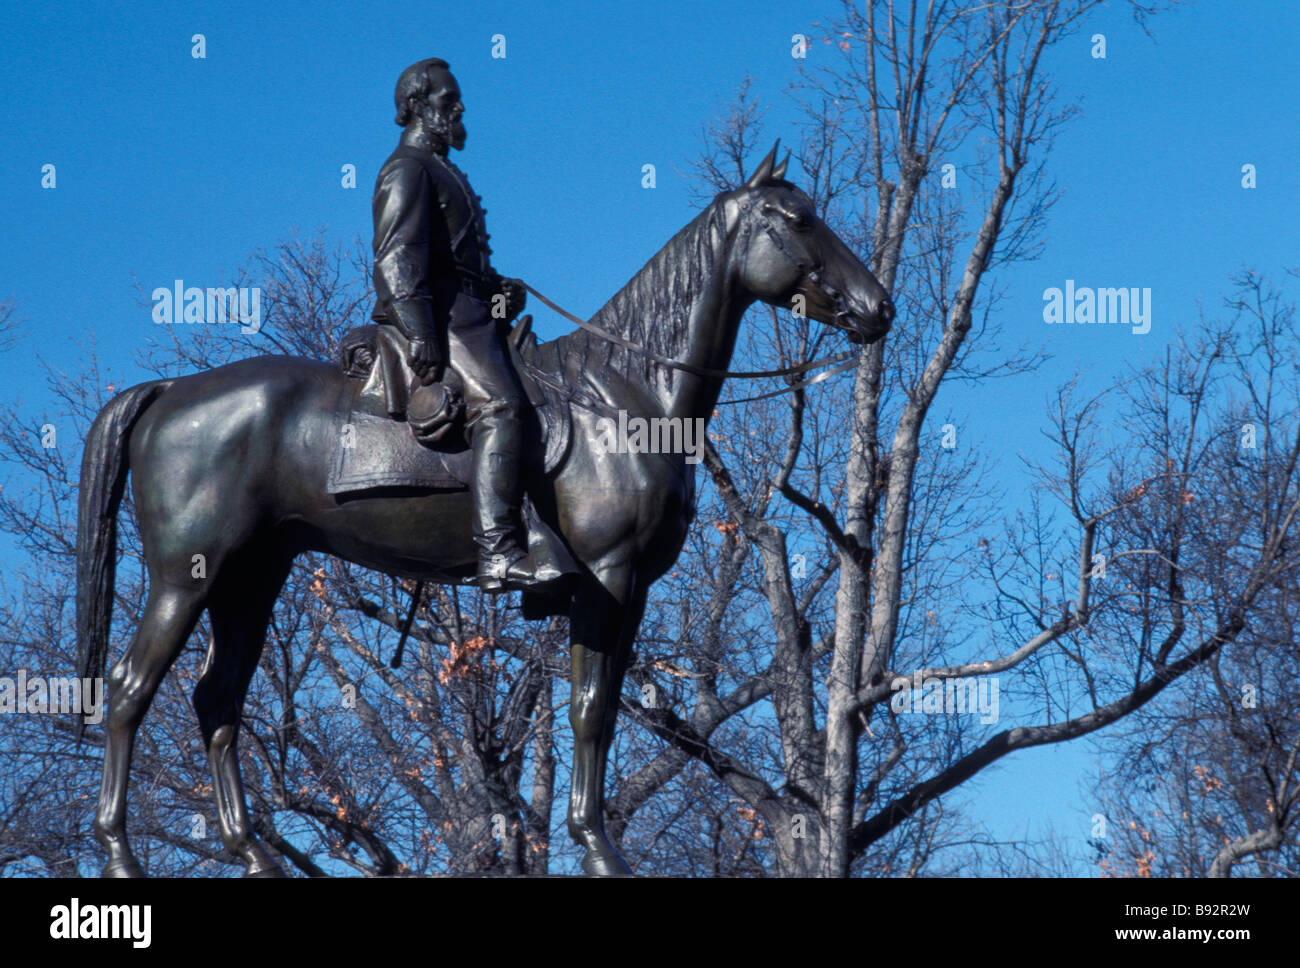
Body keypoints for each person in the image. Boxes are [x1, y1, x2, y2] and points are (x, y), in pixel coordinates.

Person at [370, 57, 550, 593]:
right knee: (501, 406)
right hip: (441, 318)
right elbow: (396, 258)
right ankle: (497, 553)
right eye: (449, 100)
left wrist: (500, 294)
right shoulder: (407, 168)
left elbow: (461, 268)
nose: (460, 107)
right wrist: (420, 330)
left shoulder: (442, 169)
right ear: (417, 107)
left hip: (470, 314)